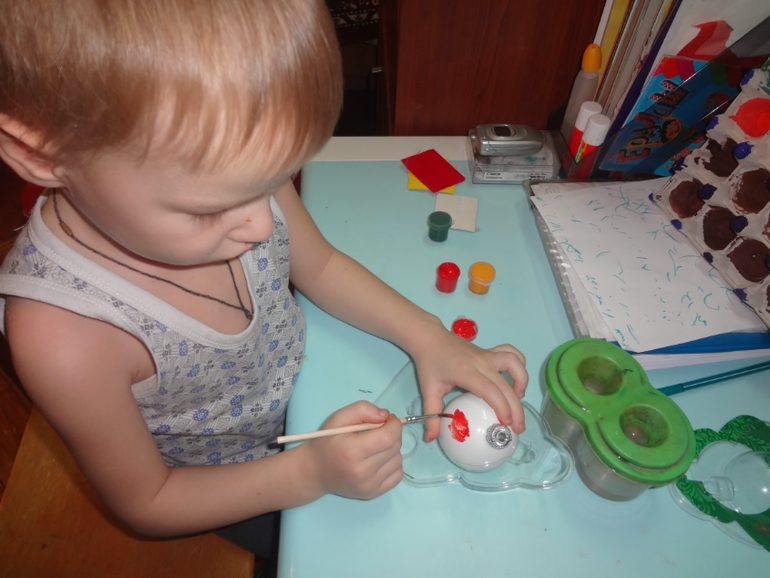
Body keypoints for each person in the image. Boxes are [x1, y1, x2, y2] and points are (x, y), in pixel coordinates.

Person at [0, 0, 528, 561]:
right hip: (241, 479)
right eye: (209, 210)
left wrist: (429, 336)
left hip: (309, 392)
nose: (261, 223)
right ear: (38, 152)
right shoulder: (63, 339)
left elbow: (319, 266)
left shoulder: (233, 159)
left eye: (274, 180)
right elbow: (149, 501)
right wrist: (309, 472)